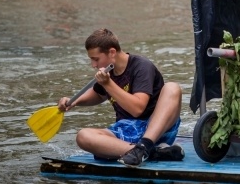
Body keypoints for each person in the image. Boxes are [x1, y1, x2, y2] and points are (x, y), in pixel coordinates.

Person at [57, 28, 184, 167]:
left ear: (112, 52)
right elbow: (99, 94)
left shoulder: (141, 66)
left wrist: (108, 84)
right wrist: (74, 101)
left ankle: (145, 146)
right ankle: (150, 153)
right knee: (83, 136)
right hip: (126, 132)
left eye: (96, 59)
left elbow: (137, 109)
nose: (93, 65)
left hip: (155, 131)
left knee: (172, 87)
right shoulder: (108, 71)